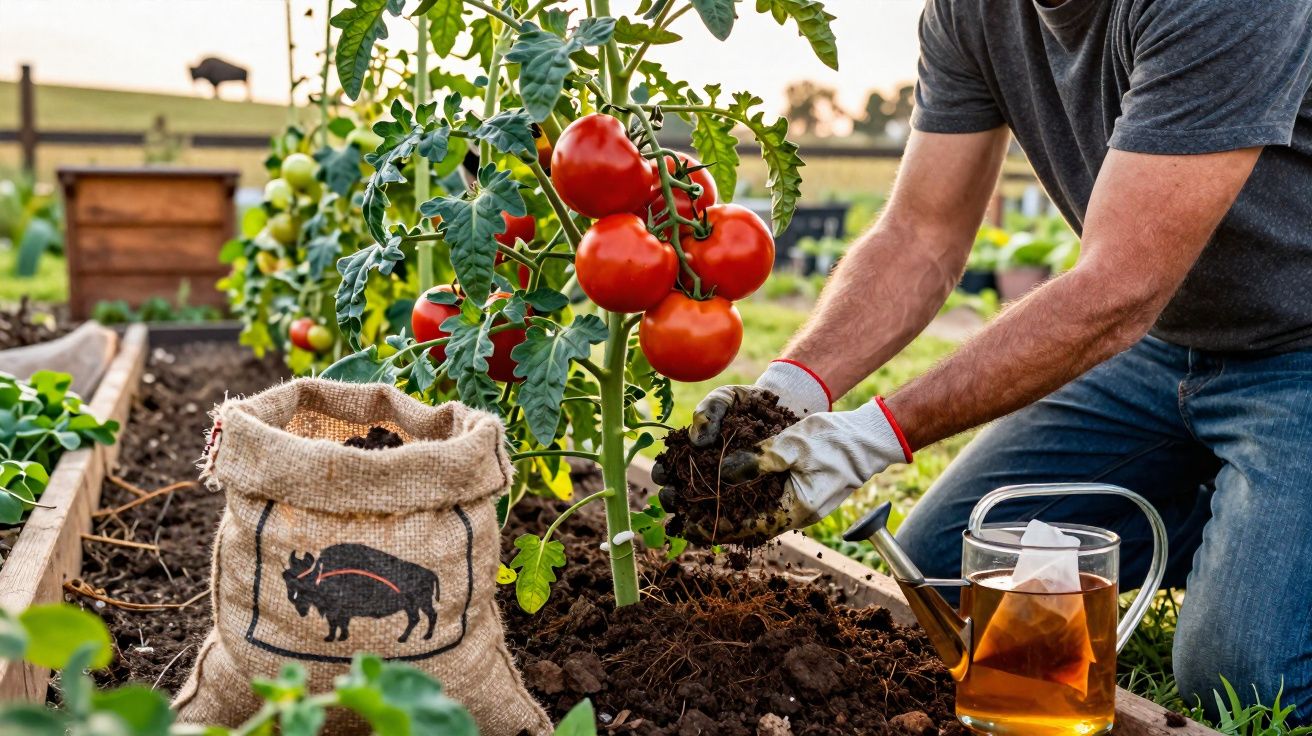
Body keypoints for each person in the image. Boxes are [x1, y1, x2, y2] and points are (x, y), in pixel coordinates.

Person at [659, 0, 1312, 722]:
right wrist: (787, 393)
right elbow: (920, 233)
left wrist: (871, 438)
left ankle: (1267, 531)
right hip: (1165, 350)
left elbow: (1120, 288)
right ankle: (1246, 519)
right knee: (944, 571)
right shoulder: (971, 10)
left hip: (1300, 353)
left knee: (1249, 673)